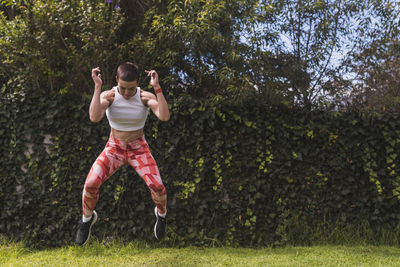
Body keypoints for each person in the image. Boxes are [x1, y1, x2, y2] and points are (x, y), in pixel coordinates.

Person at [75, 62, 170, 246]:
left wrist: (157, 88)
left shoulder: (144, 96)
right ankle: (87, 219)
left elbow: (164, 116)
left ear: (138, 83)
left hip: (138, 149)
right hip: (115, 148)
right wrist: (97, 87)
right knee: (90, 184)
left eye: (131, 88)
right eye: (123, 88)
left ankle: (161, 214)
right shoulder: (109, 95)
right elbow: (94, 117)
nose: (126, 93)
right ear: (116, 80)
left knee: (158, 186)